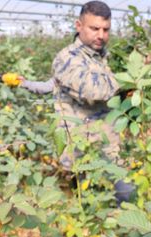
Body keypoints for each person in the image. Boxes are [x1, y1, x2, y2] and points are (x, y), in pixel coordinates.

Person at [52, 1, 134, 204]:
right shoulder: (67, 58)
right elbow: (94, 90)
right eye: (94, 28)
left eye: (106, 29)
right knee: (84, 205)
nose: (101, 35)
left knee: (122, 195)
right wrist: (135, 78)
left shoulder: (102, 57)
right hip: (81, 152)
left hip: (106, 144)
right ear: (79, 26)